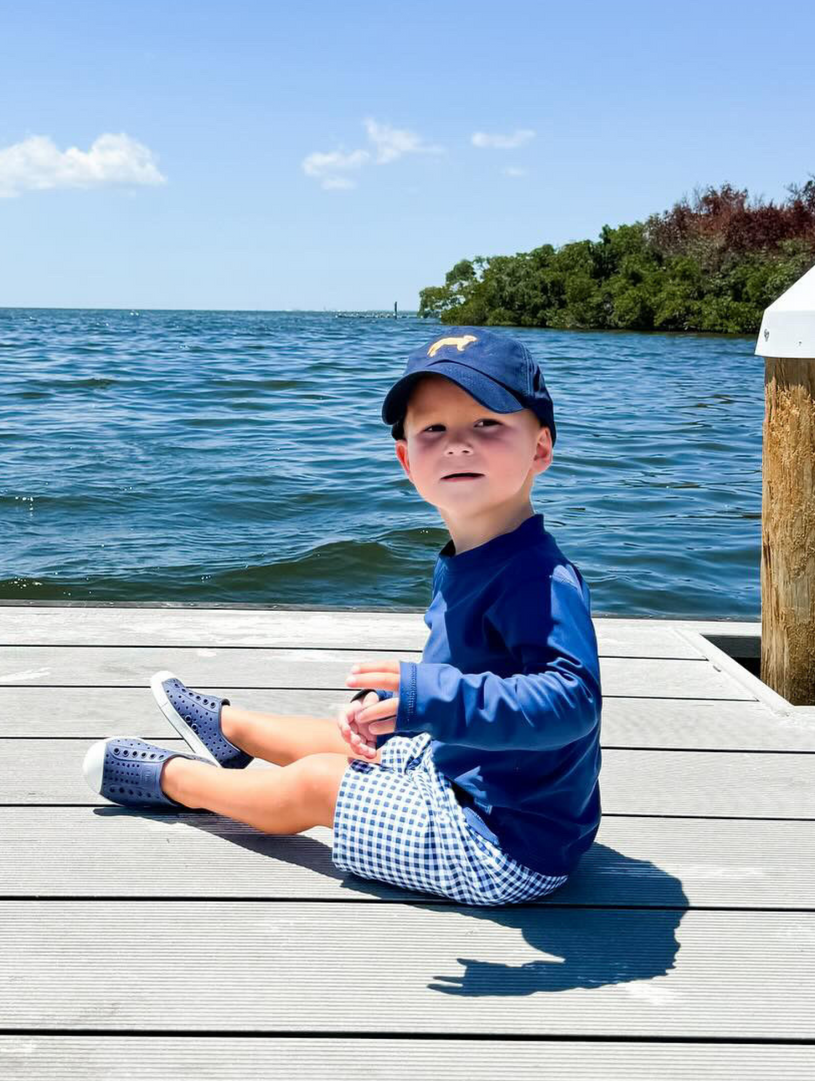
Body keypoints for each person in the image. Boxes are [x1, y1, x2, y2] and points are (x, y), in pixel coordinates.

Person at [82, 327, 602, 905]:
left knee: (315, 782)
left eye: (487, 423)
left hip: (505, 845)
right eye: (434, 429)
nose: (458, 444)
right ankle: (231, 731)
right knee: (356, 740)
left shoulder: (539, 578)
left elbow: (571, 701)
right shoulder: (476, 554)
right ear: (407, 459)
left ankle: (182, 782)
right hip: (466, 771)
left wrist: (427, 696)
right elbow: (471, 673)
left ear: (541, 449)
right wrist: (401, 703)